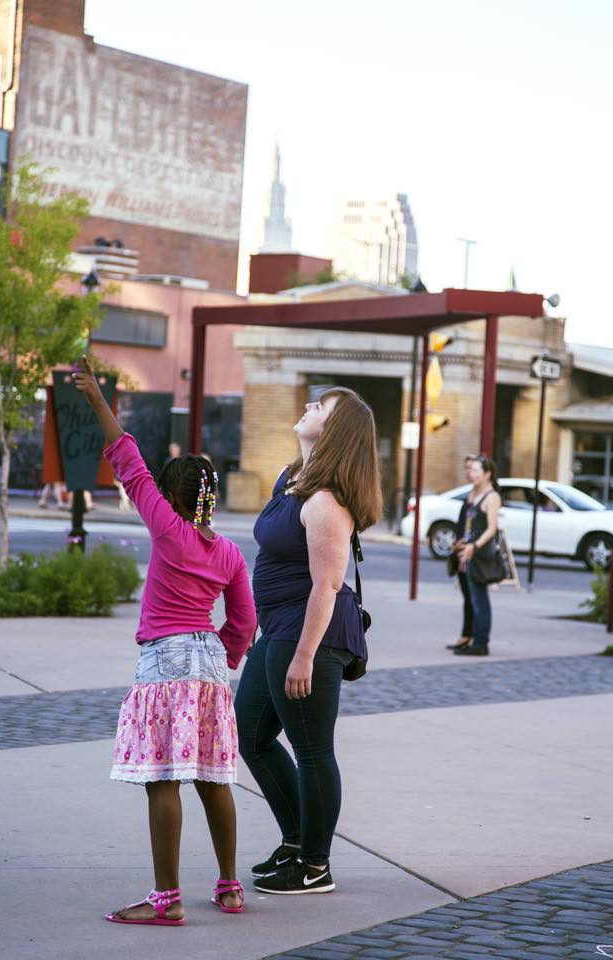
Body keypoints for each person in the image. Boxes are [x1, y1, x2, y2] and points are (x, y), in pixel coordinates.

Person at [72, 357, 256, 924]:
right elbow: (244, 620)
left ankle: (167, 900)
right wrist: (223, 654)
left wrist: (98, 399)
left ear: (172, 498)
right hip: (208, 660)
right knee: (213, 776)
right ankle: (229, 886)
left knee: (163, 779)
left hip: (165, 659)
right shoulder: (226, 552)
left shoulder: (168, 530)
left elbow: (127, 461)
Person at [235, 387, 382, 895]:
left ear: (335, 431)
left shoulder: (326, 502)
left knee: (312, 749)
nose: (309, 407)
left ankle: (315, 864)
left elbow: (328, 585)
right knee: (249, 733)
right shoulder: (289, 479)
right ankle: (297, 840)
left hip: (310, 637)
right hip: (277, 630)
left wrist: (303, 657)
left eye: (322, 407)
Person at [455, 454, 502, 656]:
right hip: (469, 552)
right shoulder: (477, 494)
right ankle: (473, 639)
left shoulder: (492, 497)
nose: (471, 474)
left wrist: (474, 545)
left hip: (480, 555)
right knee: (473, 598)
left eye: (476, 470)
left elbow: (492, 528)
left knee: (480, 599)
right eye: (471, 470)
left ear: (487, 474)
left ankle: (481, 643)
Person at [446, 454, 477, 652]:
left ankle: (472, 637)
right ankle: (466, 635)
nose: (469, 472)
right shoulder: (470, 495)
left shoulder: (482, 497)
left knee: (474, 597)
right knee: (468, 596)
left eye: (473, 468)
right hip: (461, 552)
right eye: (466, 468)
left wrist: (464, 543)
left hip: (471, 553)